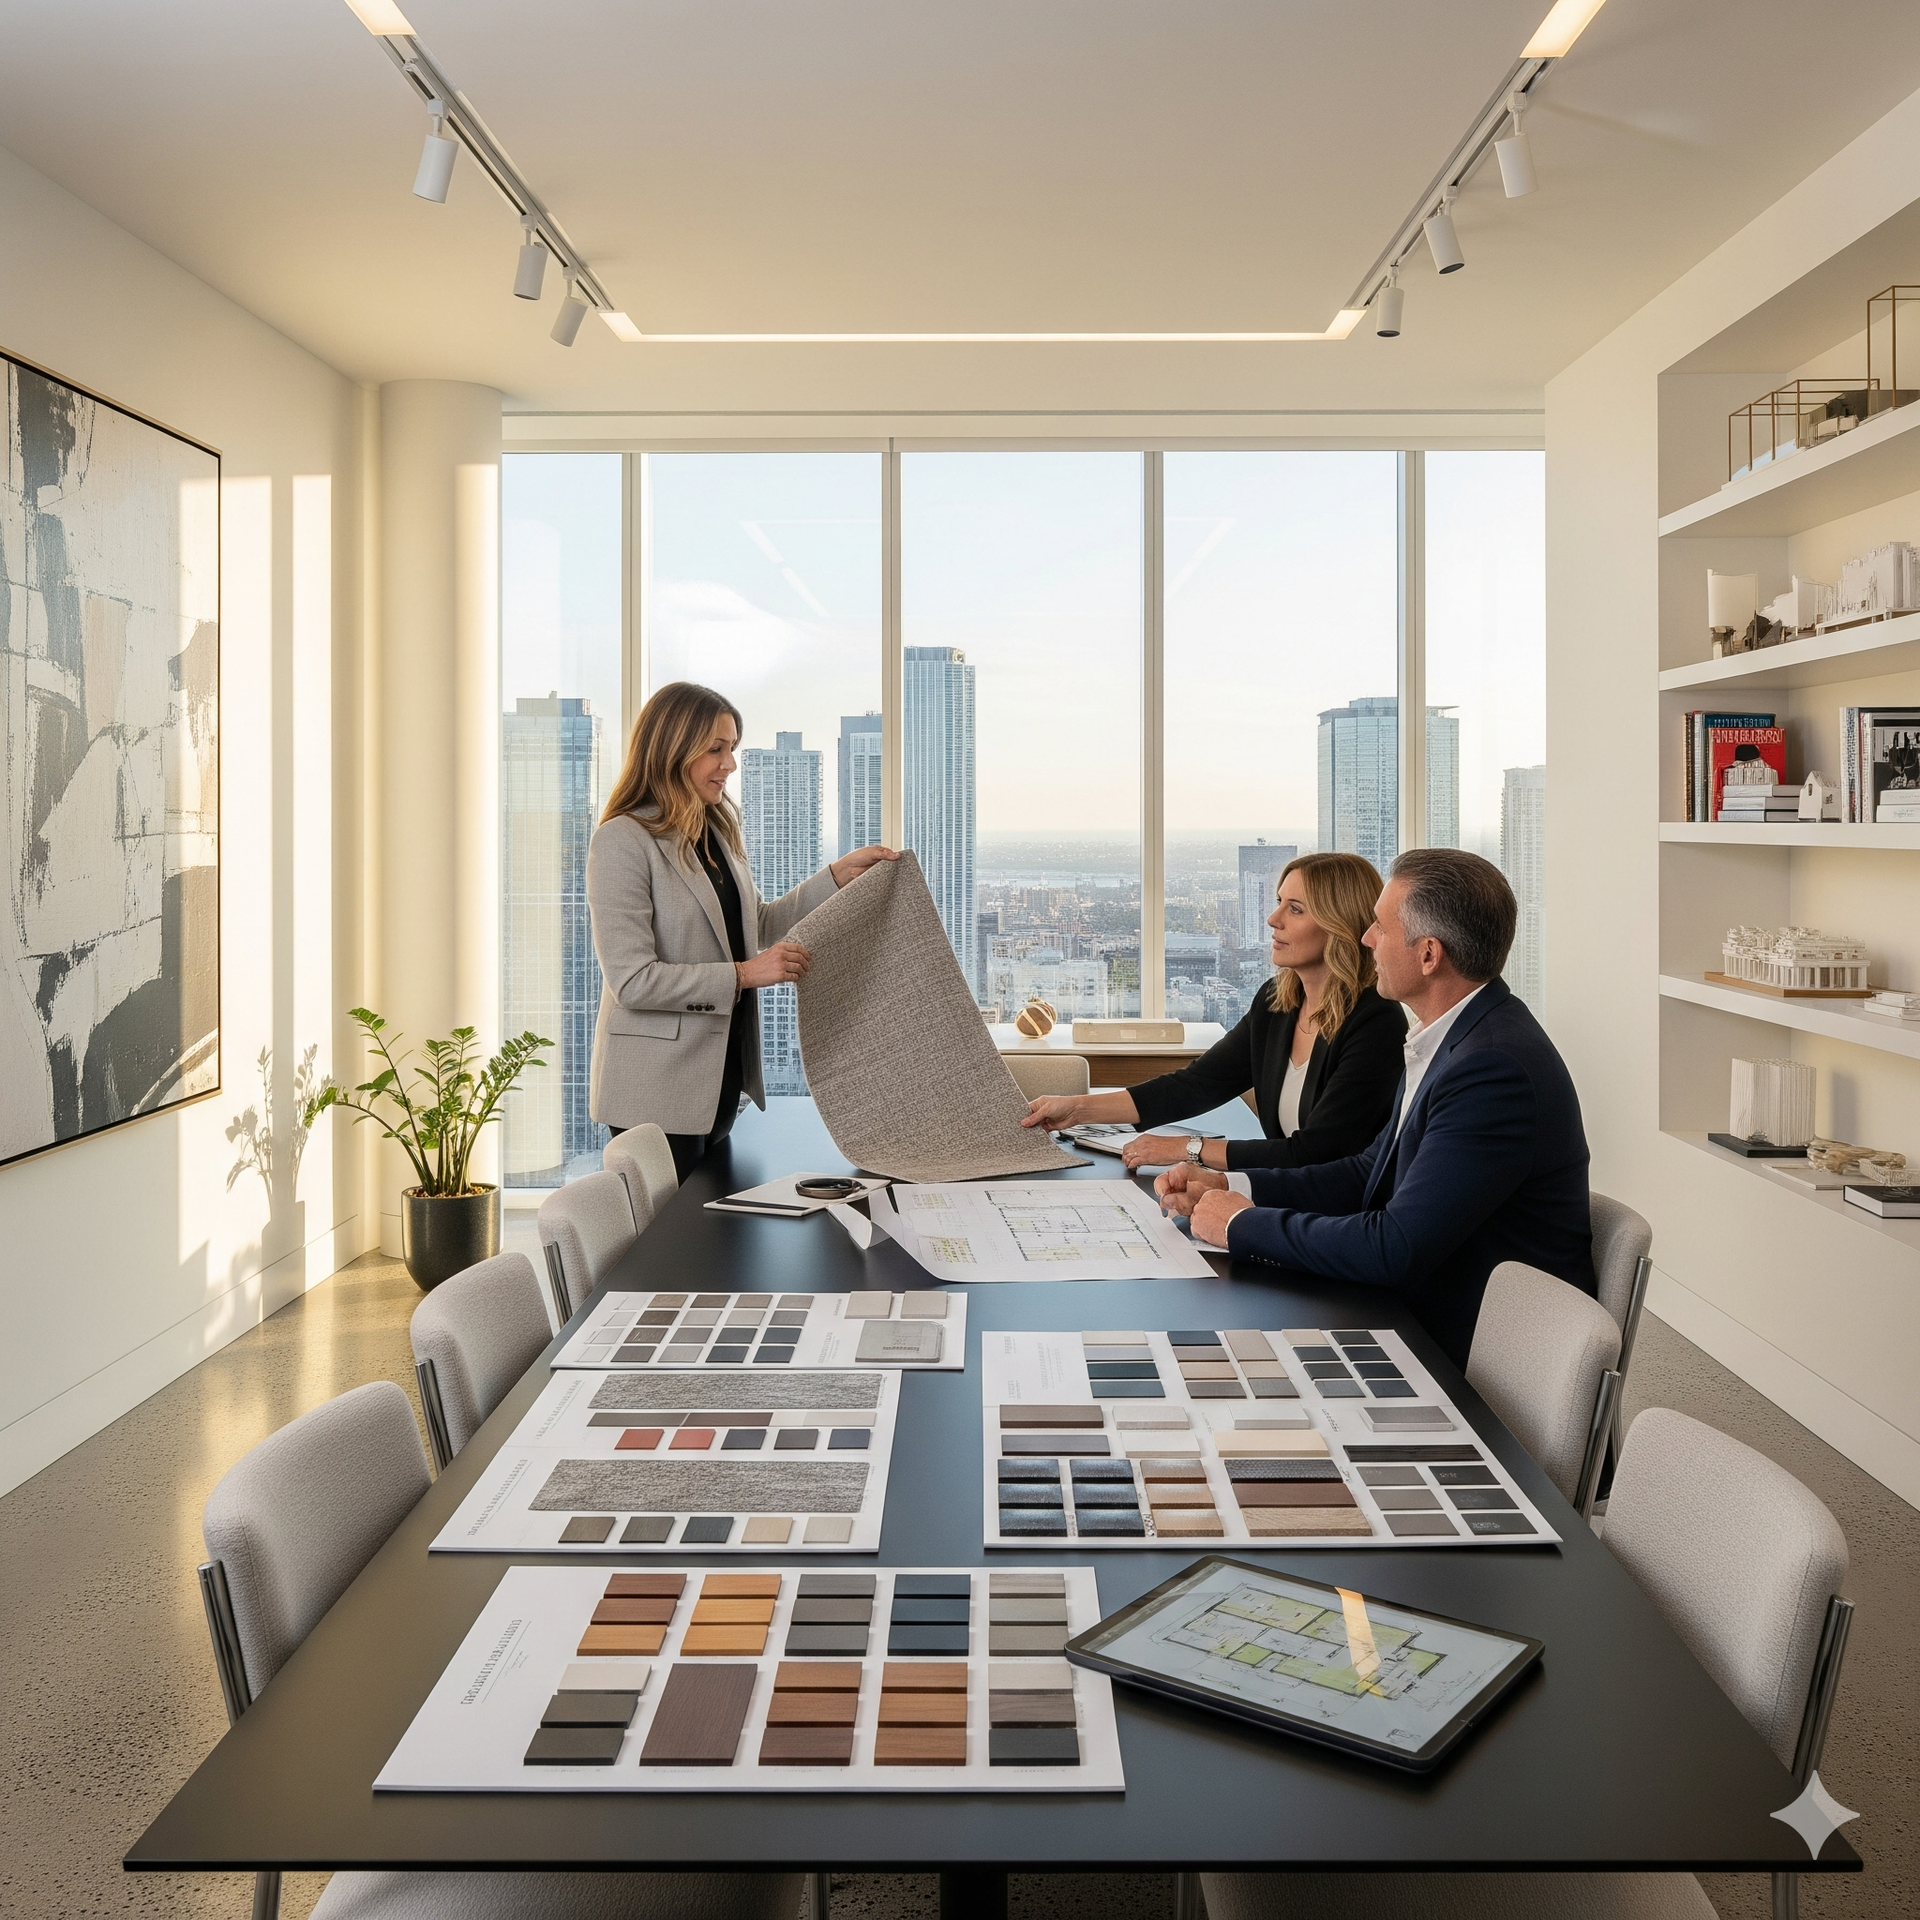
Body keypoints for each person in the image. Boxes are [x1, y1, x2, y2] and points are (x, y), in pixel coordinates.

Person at [1155, 847, 1592, 1368]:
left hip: (1472, 1352)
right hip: (1426, 1308)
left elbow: (1394, 1247)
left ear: (1429, 955)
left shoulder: (1491, 1070)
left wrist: (1240, 1224)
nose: (1366, 939)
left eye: (1380, 928)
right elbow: (1368, 1174)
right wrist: (1231, 1187)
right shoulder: (1454, 1039)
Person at [587, 681, 897, 1179]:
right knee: (672, 1250)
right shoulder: (622, 840)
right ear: (672, 747)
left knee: (712, 1241)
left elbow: (759, 925)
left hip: (718, 1083)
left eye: (732, 748)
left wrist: (836, 877)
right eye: (716, 748)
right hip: (656, 1096)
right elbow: (633, 980)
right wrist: (744, 975)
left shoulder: (714, 834)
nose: (729, 764)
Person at [1018, 853, 1405, 1173]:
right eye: (1278, 902)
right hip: (1285, 1196)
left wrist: (1187, 1149)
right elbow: (1195, 1085)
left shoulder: (1376, 1023)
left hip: (1340, 1217)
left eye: (1296, 909)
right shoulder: (1277, 1003)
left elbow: (1316, 1153)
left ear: (1339, 924)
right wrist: (1077, 1108)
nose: (1274, 919)